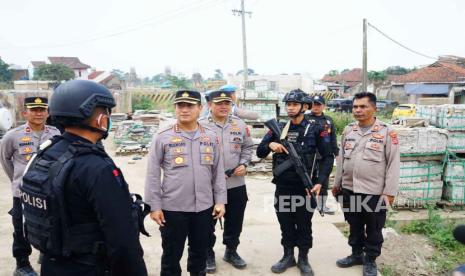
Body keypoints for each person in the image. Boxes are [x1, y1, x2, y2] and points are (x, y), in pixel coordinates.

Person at [20, 80, 147, 276]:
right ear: (99, 119)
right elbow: (122, 242)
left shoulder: (45, 153)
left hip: (52, 265)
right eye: (106, 111)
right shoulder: (96, 167)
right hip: (89, 267)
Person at [145, 90, 227, 276]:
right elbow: (152, 174)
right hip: (173, 209)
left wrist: (220, 201)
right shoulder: (162, 136)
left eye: (189, 105)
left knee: (199, 256)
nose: (184, 110)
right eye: (180, 105)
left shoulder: (211, 136)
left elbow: (218, 171)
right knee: (171, 257)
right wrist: (154, 206)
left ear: (200, 108)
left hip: (204, 208)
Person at [256, 89, 334, 276]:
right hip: (283, 186)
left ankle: (303, 258)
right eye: (288, 104)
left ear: (304, 107)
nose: (290, 108)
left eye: (294, 104)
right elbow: (259, 152)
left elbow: (328, 157)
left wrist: (320, 182)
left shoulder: (316, 128)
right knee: (286, 223)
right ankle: (288, 256)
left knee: (304, 224)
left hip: (305, 188)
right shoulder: (279, 127)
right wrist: (270, 145)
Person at [332, 92, 400, 276]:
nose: (358, 110)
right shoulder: (348, 130)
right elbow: (341, 160)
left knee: (374, 228)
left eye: (363, 106)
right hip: (349, 189)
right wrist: (337, 183)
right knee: (354, 224)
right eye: (355, 107)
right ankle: (356, 254)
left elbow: (394, 164)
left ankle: (370, 259)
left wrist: (389, 192)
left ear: (374, 108)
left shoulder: (387, 132)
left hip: (374, 193)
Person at [0, 96, 60, 276]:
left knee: (51, 224)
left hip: (49, 191)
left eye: (42, 110)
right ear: (25, 112)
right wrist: (18, 181)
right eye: (34, 110)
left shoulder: (55, 134)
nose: (39, 113)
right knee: (21, 228)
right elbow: (5, 160)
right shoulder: (13, 136)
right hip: (23, 193)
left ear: (48, 112)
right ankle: (22, 264)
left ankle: (46, 253)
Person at [199, 91, 254, 273]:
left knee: (235, 220)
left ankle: (231, 251)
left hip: (235, 183)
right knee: (207, 222)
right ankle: (207, 254)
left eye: (227, 103)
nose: (224, 106)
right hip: (208, 186)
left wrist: (244, 164)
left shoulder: (239, 124)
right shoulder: (199, 125)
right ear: (209, 105)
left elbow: (247, 147)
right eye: (219, 103)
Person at [305, 95, 339, 215]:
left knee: (323, 180)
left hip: (324, 156)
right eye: (313, 104)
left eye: (318, 104)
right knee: (308, 179)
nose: (315, 106)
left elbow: (332, 138)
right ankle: (307, 204)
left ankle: (322, 205)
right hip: (309, 156)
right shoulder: (305, 118)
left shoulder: (328, 120)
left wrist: (337, 153)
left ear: (323, 106)